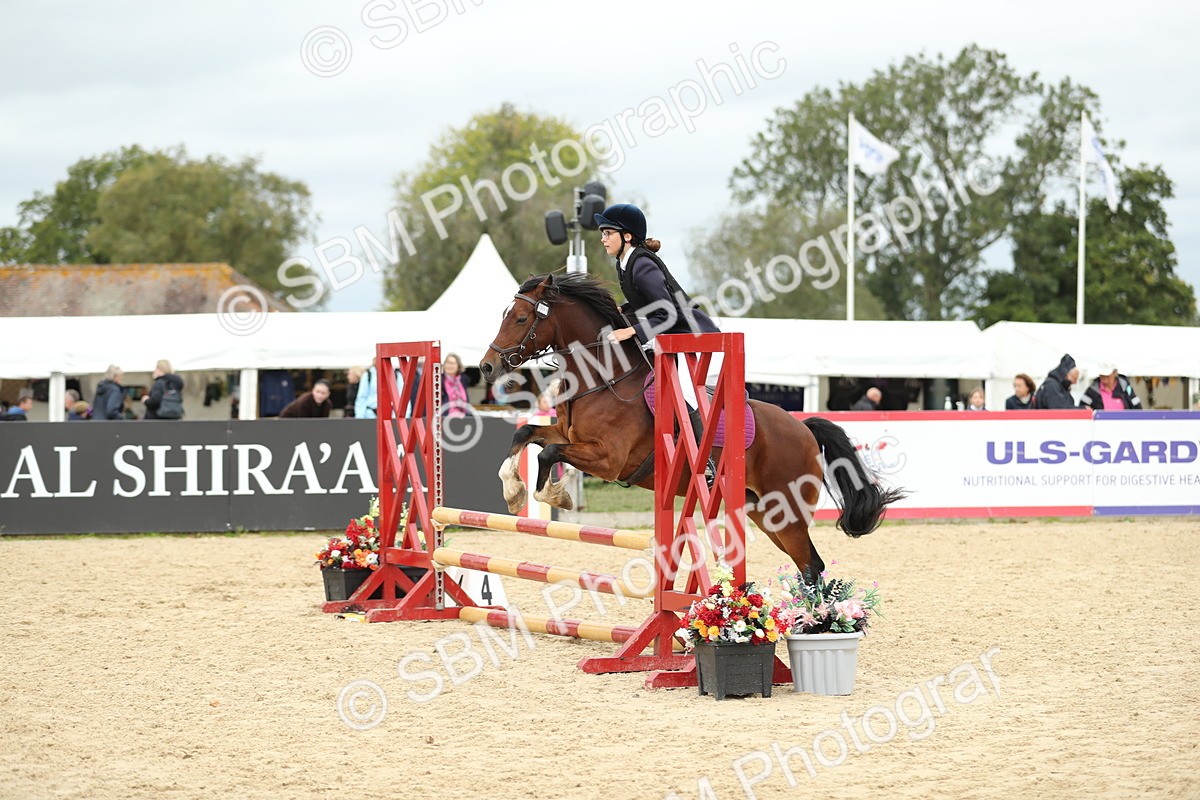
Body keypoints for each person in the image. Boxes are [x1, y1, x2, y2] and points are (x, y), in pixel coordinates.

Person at [596, 202, 720, 482]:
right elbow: (648, 302)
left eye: (607, 233)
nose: (603, 239)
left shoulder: (640, 265)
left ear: (626, 236)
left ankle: (707, 463)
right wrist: (624, 310)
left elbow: (669, 311)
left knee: (685, 394)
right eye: (602, 233)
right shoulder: (625, 262)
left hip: (691, 336)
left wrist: (632, 331)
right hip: (669, 336)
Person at [441, 353, 475, 418]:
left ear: (458, 366)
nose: (450, 366)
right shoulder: (440, 379)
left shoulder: (463, 379)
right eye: (448, 363)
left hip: (464, 417)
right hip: (445, 417)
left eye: (453, 363)